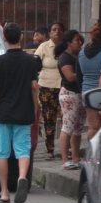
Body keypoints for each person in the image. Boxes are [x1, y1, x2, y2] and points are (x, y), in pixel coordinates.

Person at [0, 22, 40, 203]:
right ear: (21, 38)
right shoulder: (30, 61)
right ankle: (22, 177)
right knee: (23, 149)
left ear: (4, 38)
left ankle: (4, 192)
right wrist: (34, 107)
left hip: (3, 112)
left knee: (2, 152)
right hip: (24, 112)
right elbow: (34, 86)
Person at [33, 21, 64, 159]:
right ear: (50, 33)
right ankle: (50, 150)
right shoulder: (44, 46)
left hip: (64, 86)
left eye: (59, 29)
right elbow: (35, 62)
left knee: (66, 119)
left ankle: (65, 148)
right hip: (46, 86)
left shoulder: (66, 47)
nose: (56, 32)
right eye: (53, 29)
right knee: (48, 118)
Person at [56, 30, 85, 170]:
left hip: (79, 94)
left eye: (80, 41)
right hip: (69, 94)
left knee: (78, 128)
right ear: (69, 43)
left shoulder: (77, 56)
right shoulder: (65, 58)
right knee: (67, 126)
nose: (80, 43)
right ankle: (64, 159)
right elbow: (70, 77)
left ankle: (76, 158)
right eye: (77, 41)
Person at [78, 24, 101, 139]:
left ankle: (91, 154)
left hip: (87, 92)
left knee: (93, 127)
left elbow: (79, 75)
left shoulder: (81, 53)